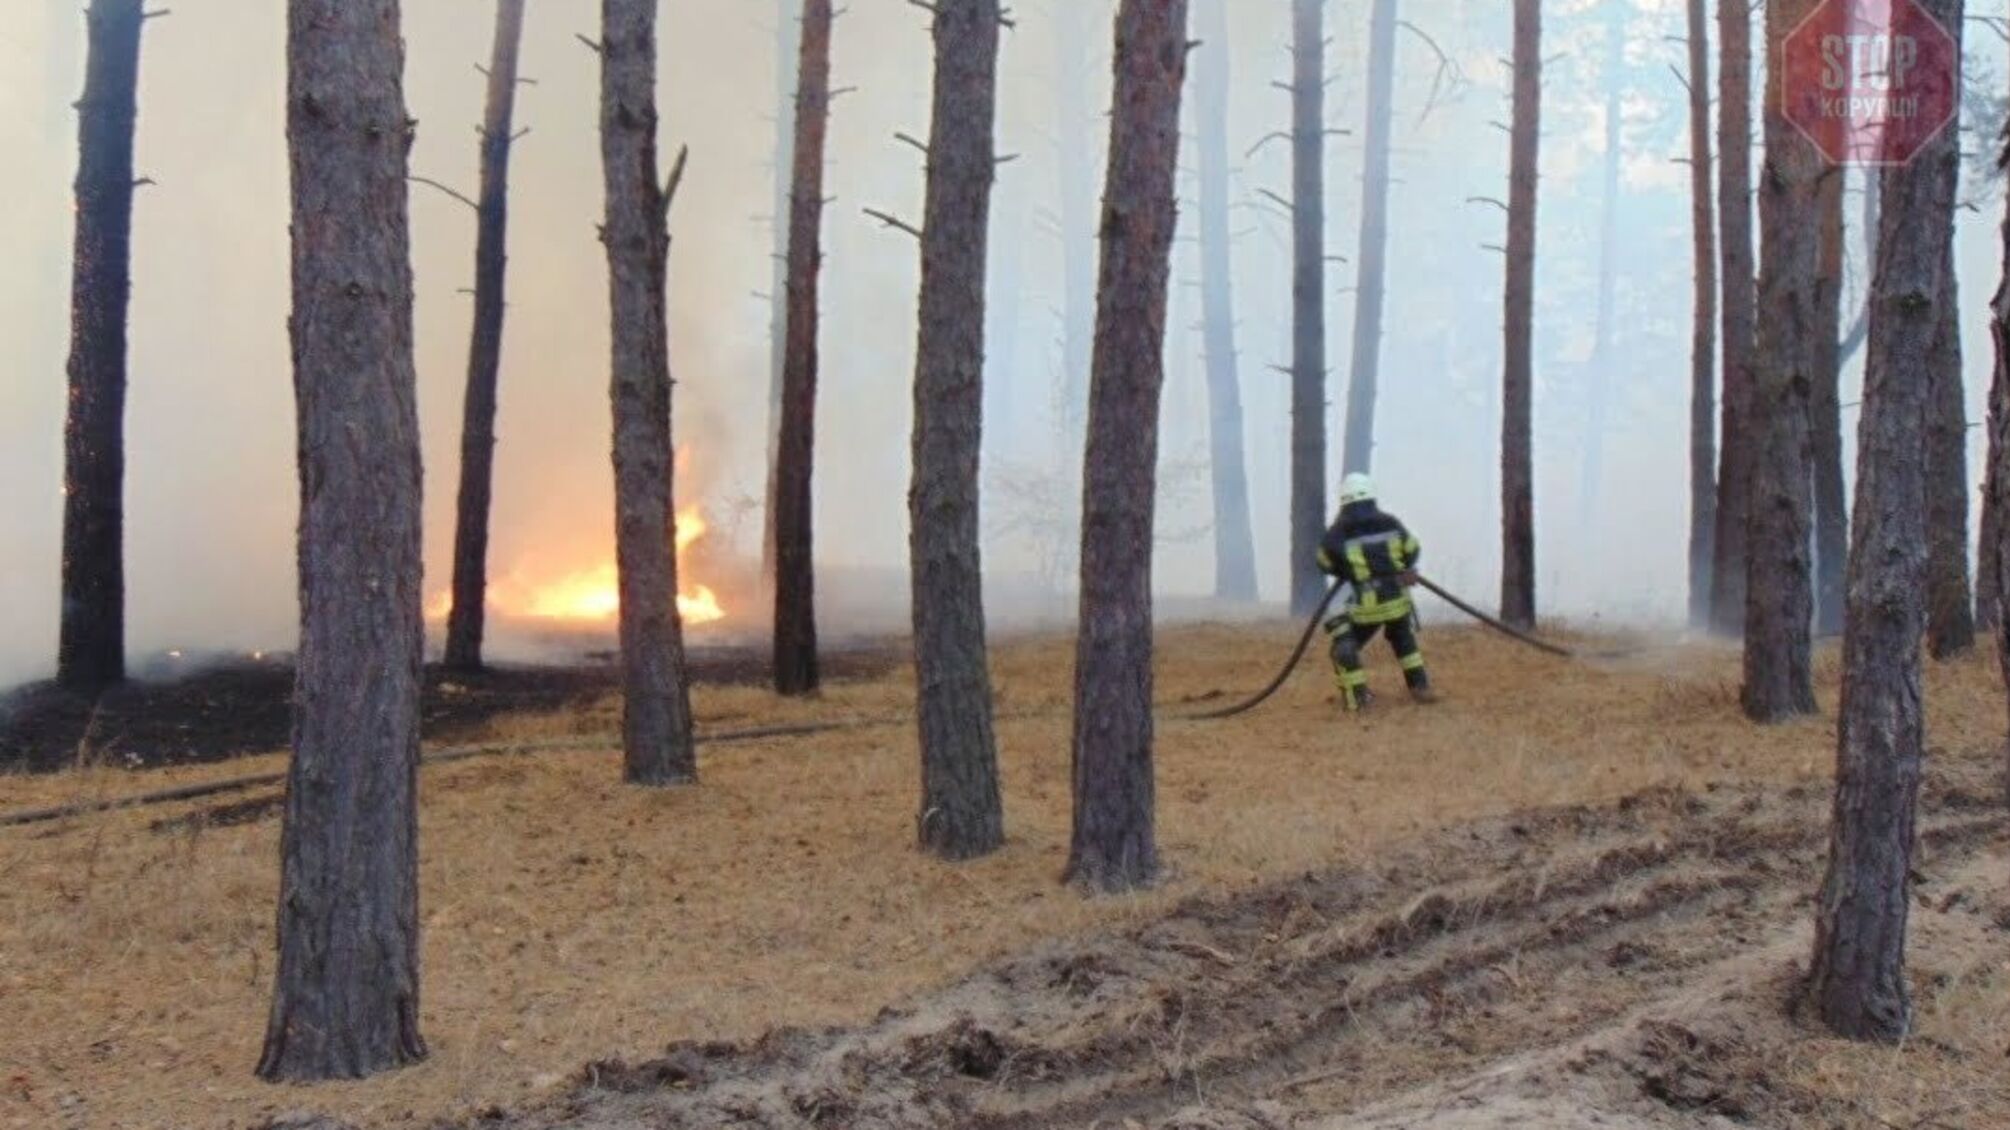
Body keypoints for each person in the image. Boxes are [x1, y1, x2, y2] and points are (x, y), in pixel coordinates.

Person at [1314, 472, 1435, 711]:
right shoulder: (1390, 522)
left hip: (1366, 607)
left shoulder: (1337, 532)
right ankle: (1420, 686)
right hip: (1397, 600)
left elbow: (1323, 562)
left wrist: (1346, 570)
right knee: (1403, 639)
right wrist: (1403, 567)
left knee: (1343, 646)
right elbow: (1412, 549)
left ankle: (1358, 699)